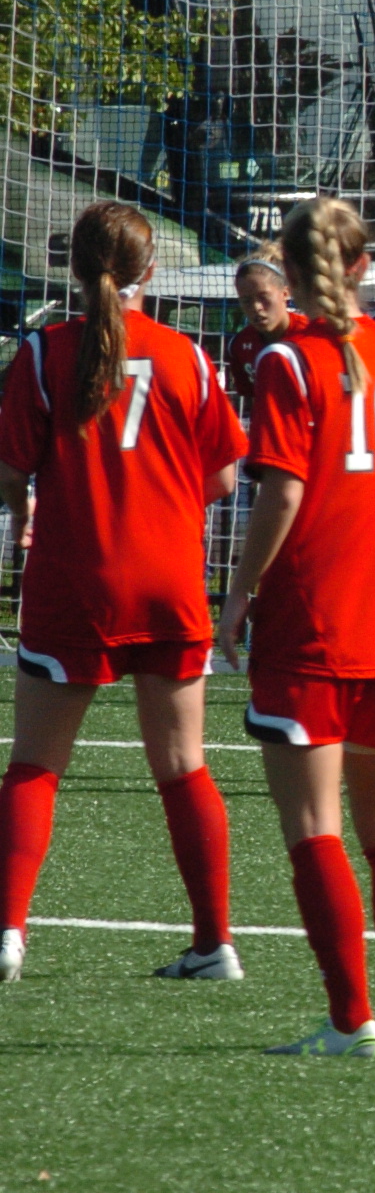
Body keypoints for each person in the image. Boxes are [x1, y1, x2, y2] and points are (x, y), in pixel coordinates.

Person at [218, 197, 375, 1057]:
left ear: (290, 271)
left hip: (313, 622)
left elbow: (281, 491)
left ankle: (351, 1020)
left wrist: (237, 593)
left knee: (315, 828)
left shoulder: (289, 361)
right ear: (364, 266)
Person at [0, 203, 249, 984]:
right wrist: (158, 499)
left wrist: (27, 511)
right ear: (150, 271)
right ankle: (214, 943)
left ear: (73, 268)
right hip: (169, 579)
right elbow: (224, 476)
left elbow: (11, 469)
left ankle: (8, 932)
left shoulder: (43, 352)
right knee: (183, 766)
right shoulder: (188, 356)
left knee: (35, 767)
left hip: (76, 577)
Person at [223, 256, 307, 404]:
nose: (256, 307)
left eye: (263, 297)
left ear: (285, 294)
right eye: (246, 301)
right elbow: (252, 398)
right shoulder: (239, 346)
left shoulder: (311, 335)